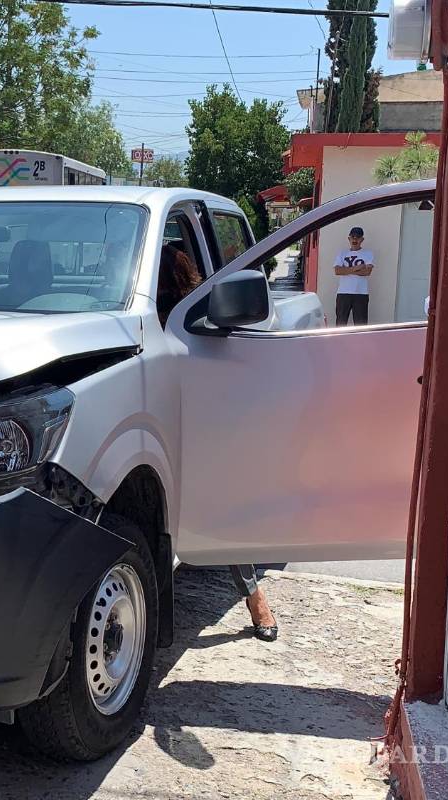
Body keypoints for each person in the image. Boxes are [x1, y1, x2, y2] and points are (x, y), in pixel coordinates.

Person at [157, 245, 280, 642]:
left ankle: (255, 598)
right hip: (154, 430)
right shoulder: (124, 321)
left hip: (200, 433)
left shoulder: (202, 322)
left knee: (222, 510)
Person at [333, 226, 374, 326]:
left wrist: (346, 270)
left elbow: (367, 272)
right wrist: (358, 267)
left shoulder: (368, 254)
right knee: (340, 324)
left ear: (362, 239)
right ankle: (339, 342)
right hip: (343, 293)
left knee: (361, 325)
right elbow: (337, 271)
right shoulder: (342, 253)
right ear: (349, 238)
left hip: (361, 293)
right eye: (353, 237)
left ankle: (360, 342)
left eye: (358, 237)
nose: (355, 239)